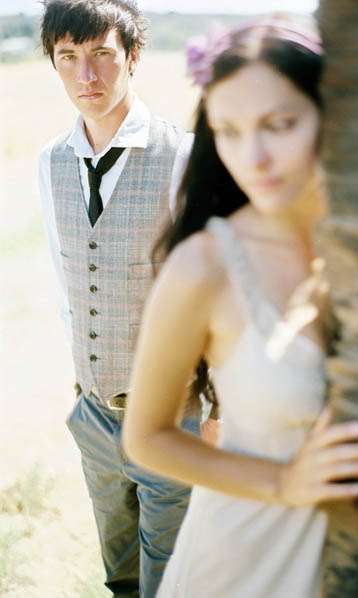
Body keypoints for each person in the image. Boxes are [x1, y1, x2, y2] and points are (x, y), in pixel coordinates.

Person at [123, 17, 358, 597]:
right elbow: (147, 437)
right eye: (228, 132)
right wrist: (284, 482)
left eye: (278, 125)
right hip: (247, 561)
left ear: (335, 114)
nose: (252, 157)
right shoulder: (205, 266)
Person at [38, 1, 203, 596]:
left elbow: (212, 296)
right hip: (93, 416)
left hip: (172, 415)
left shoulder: (183, 156)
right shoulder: (50, 161)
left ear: (132, 57)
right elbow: (67, 286)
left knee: (171, 580)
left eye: (102, 54)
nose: (86, 75)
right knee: (121, 578)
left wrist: (216, 413)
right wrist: (82, 390)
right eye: (68, 57)